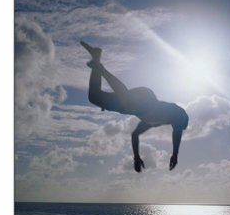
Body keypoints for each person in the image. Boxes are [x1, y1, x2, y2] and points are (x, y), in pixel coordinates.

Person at [81, 41, 189, 172]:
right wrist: (175, 155)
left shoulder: (151, 123)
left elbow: (135, 135)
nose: (176, 126)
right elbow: (177, 132)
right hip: (145, 97)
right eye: (179, 125)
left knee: (94, 97)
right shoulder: (176, 113)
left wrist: (136, 157)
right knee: (129, 103)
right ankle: (100, 68)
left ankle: (96, 57)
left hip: (134, 106)